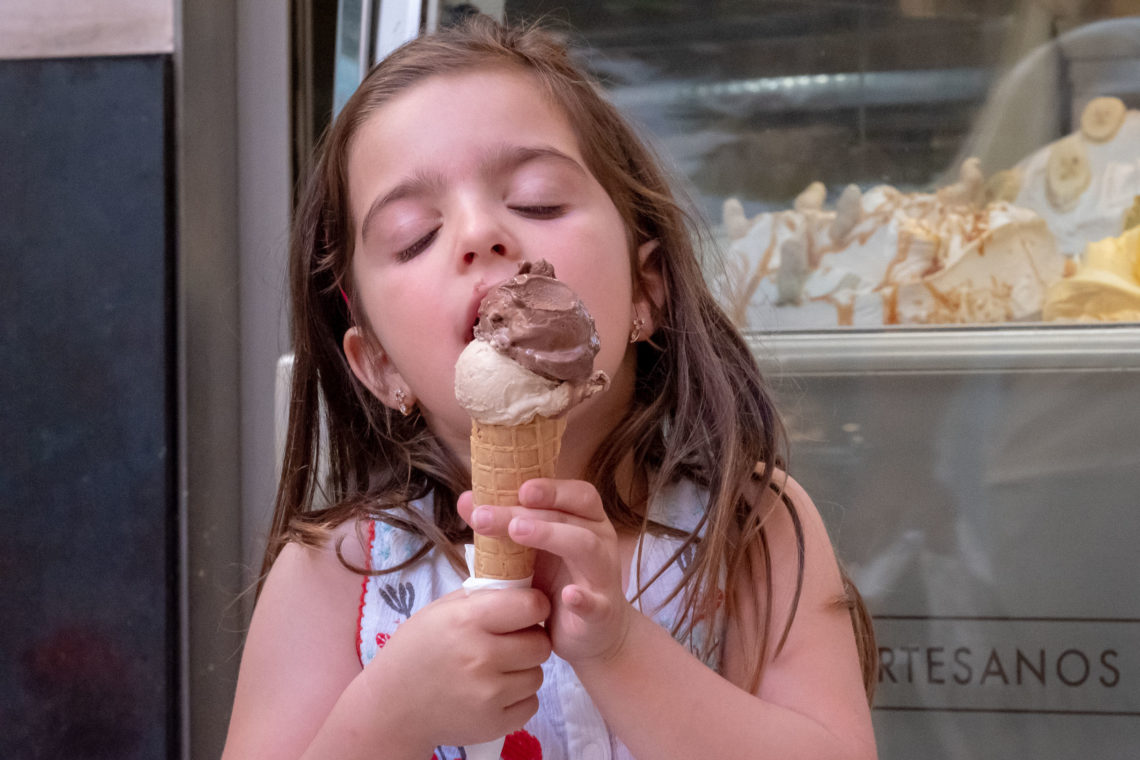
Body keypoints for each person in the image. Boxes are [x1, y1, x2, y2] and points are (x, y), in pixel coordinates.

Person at [223, 15, 878, 760]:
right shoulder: (338, 572)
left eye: (537, 201)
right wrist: (386, 717)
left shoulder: (747, 527)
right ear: (378, 365)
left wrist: (620, 649)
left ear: (647, 290)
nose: (480, 234)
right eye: (413, 236)